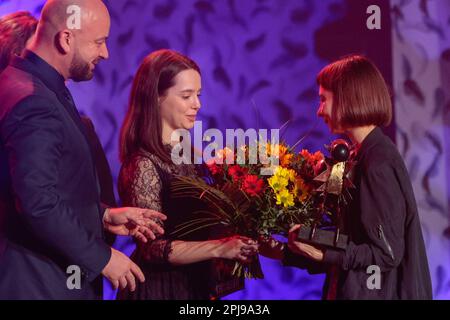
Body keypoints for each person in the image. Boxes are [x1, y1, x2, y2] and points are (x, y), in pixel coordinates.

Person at [0, 0, 166, 299]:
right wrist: (102, 257)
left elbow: (41, 188)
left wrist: (102, 216)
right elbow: (37, 202)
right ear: (66, 39)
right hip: (38, 285)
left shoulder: (25, 85)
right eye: (99, 42)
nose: (105, 53)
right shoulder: (34, 100)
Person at [278, 55, 432, 299]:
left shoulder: (378, 161)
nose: (319, 111)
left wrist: (323, 254)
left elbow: (386, 254)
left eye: (323, 100)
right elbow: (350, 246)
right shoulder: (360, 155)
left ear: (346, 98)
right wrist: (282, 250)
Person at [117, 49, 259, 300]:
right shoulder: (143, 164)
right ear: (157, 98)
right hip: (160, 289)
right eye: (186, 96)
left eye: (198, 94)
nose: (197, 104)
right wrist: (220, 248)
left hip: (194, 286)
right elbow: (152, 249)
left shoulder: (191, 154)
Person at [0, 10, 118, 239]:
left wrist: (103, 217)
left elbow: (85, 201)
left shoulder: (75, 122)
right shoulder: (30, 104)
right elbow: (35, 203)